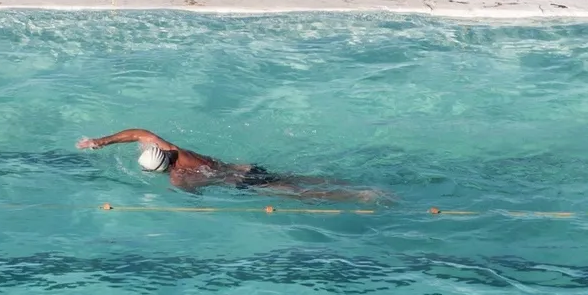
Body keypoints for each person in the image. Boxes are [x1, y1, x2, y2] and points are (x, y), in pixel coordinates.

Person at [74, 128, 384, 203]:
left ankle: (358, 196)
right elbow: (138, 132)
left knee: (296, 193)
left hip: (239, 183)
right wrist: (100, 141)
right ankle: (340, 181)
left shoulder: (179, 180)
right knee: (297, 177)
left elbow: (199, 196)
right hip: (246, 168)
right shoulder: (177, 151)